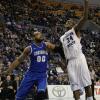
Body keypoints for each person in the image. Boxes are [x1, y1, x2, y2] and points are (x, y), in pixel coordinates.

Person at [3, 31, 57, 100]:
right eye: (37, 34)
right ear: (33, 37)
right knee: (19, 97)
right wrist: (8, 70)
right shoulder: (29, 48)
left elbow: (57, 49)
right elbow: (18, 60)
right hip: (31, 75)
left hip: (42, 75)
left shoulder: (46, 45)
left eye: (40, 34)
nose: (40, 35)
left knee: (41, 94)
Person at [60, 0, 93, 100]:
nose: (68, 21)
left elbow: (85, 18)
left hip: (79, 58)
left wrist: (86, 3)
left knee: (87, 83)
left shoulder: (75, 30)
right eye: (67, 21)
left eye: (70, 21)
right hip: (70, 62)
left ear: (74, 24)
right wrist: (64, 65)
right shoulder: (62, 38)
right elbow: (64, 52)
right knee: (75, 87)